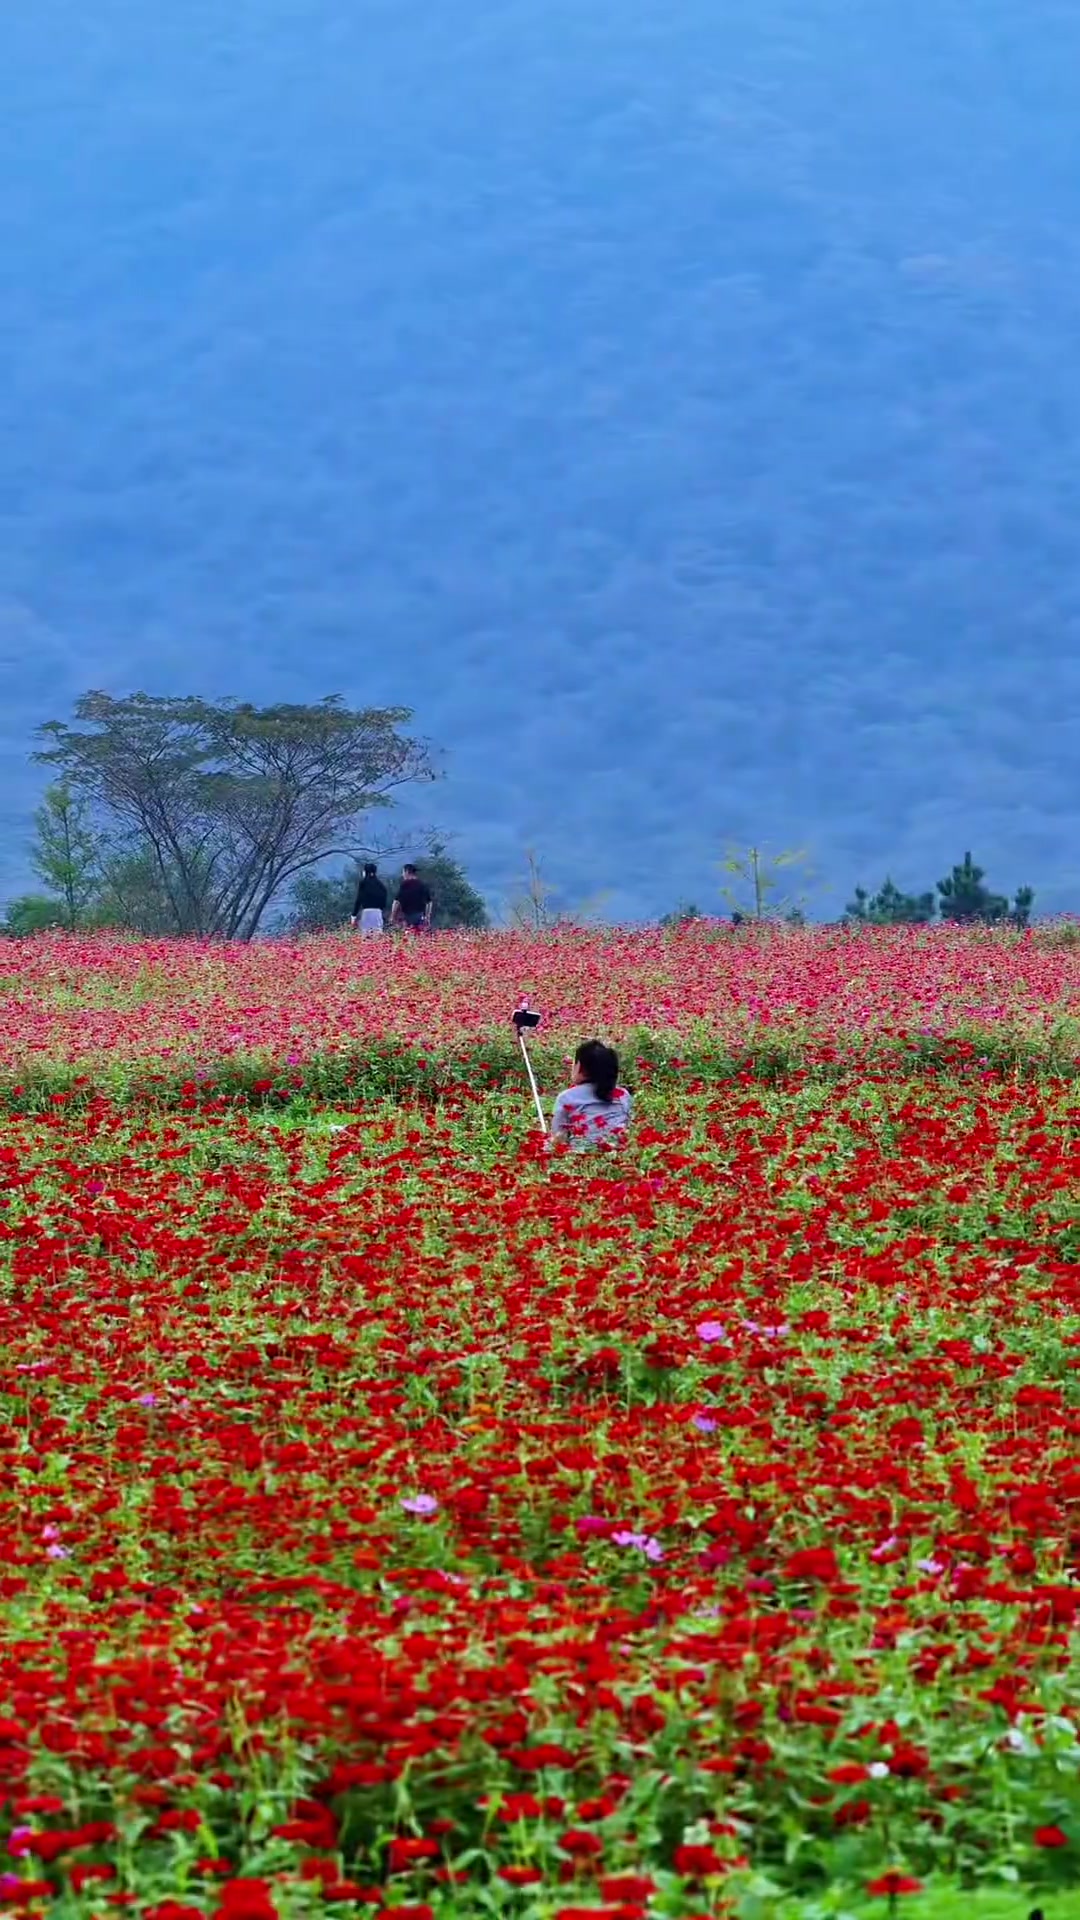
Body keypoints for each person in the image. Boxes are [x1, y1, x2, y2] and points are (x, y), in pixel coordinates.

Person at [550, 1040, 633, 1152]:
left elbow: (559, 1137)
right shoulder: (623, 1095)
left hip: (582, 1158)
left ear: (580, 1067)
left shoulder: (566, 1098)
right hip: (618, 1154)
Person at [391, 863, 434, 934]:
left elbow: (397, 901)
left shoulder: (405, 885)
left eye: (403, 872)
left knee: (407, 936)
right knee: (419, 936)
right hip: (420, 915)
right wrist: (427, 916)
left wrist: (393, 916)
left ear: (407, 872)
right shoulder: (422, 884)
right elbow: (429, 902)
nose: (403, 875)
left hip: (407, 916)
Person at [350, 863, 388, 936]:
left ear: (365, 872)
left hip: (367, 912)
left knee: (366, 937)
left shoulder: (363, 883)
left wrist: (354, 915)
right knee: (377, 936)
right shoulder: (380, 885)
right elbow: (384, 901)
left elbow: (359, 899)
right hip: (378, 912)